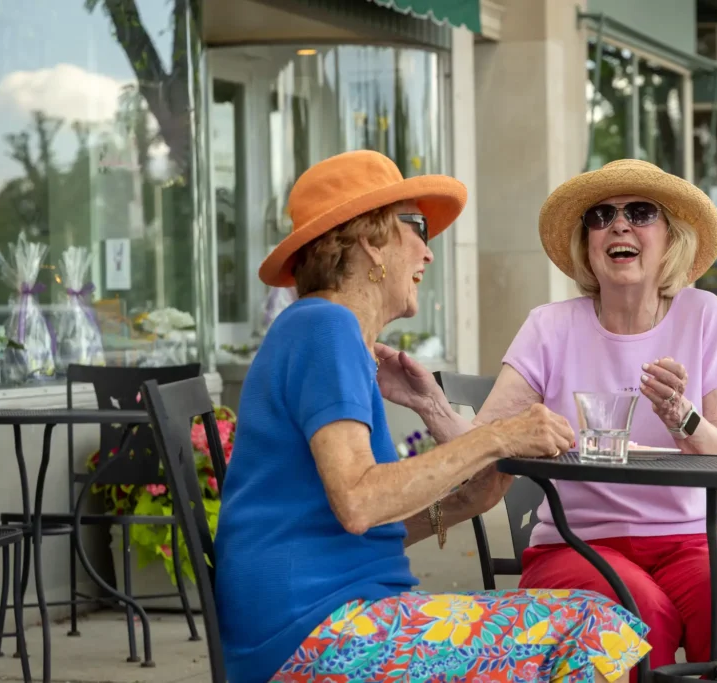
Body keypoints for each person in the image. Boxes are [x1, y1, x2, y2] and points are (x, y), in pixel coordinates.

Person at [213, 150, 651, 683]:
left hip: (327, 621)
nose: (428, 252)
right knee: (592, 627)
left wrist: (461, 491)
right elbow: (358, 502)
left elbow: (340, 525)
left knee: (590, 620)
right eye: (416, 227)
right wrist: (498, 436)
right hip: (318, 634)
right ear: (370, 240)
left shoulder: (324, 331)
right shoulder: (325, 329)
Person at [394, 159, 717, 682]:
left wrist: (681, 417)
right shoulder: (550, 326)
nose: (619, 225)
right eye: (601, 216)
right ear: (587, 244)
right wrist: (430, 405)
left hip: (693, 539)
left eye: (640, 213)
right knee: (635, 614)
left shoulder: (705, 315)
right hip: (576, 543)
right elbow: (478, 445)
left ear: (671, 237)